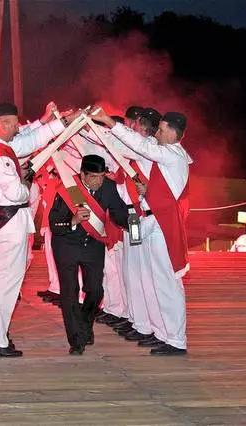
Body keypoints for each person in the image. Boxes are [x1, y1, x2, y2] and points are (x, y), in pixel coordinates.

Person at [0, 102, 69, 357]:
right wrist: (24, 181)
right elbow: (15, 193)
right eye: (13, 124)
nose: (17, 129)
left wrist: (51, 123)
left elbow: (28, 139)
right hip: (8, 223)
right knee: (5, 284)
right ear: (1, 123)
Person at [91, 107, 191, 356]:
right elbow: (124, 148)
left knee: (166, 282)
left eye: (161, 128)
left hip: (161, 225)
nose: (157, 131)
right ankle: (158, 331)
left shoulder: (174, 154)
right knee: (145, 278)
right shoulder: (161, 154)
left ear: (172, 131)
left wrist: (109, 123)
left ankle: (176, 339)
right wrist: (91, 129)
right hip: (143, 220)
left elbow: (142, 147)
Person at [48, 155, 129, 354]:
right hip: (66, 243)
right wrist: (73, 220)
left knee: (96, 291)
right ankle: (76, 341)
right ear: (83, 174)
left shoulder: (108, 186)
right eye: (93, 177)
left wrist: (132, 222)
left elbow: (118, 211)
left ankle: (85, 323)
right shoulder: (70, 188)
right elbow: (54, 223)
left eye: (102, 176)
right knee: (70, 292)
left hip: (92, 244)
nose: (99, 181)